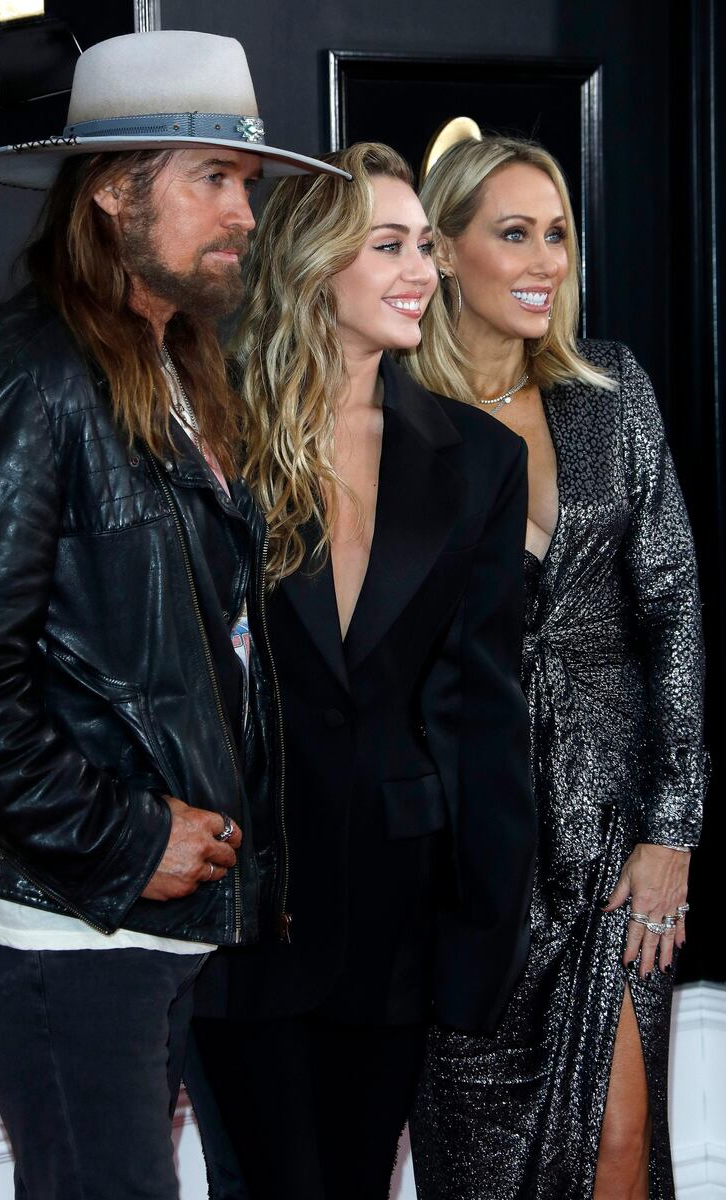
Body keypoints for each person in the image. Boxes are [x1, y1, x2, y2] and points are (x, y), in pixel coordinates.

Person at [0, 31, 347, 1200]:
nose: (243, 216)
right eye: (209, 180)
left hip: (142, 923)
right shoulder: (28, 375)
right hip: (57, 924)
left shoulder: (169, 366)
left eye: (247, 186)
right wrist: (123, 836)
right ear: (114, 191)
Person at [187, 141, 536, 1200]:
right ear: (311, 266)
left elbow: (483, 712)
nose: (422, 272)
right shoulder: (207, 437)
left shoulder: (474, 458)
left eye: (425, 246)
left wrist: (481, 931)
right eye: (388, 245)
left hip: (394, 912)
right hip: (233, 905)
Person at [405, 134, 708, 1200]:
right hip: (466, 852)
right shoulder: (394, 414)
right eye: (513, 234)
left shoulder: (609, 390)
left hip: (616, 828)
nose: (544, 261)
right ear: (439, 251)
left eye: (558, 235)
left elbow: (669, 605)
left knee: (619, 1145)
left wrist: (672, 827)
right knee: (480, 1169)